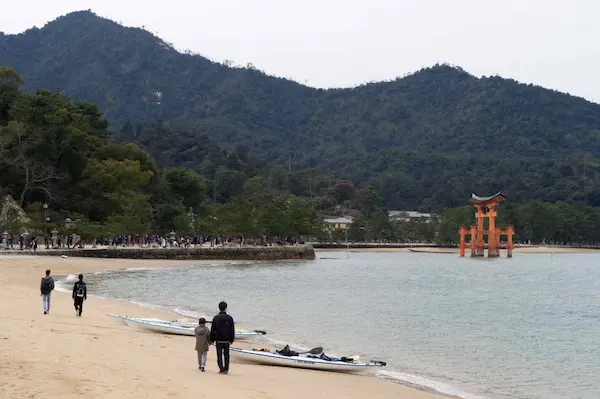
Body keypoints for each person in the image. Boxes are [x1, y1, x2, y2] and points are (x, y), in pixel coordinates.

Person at [210, 301, 235, 374]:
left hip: (219, 339)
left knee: (219, 355)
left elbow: (212, 330)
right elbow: (232, 329)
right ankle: (226, 369)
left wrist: (212, 339)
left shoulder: (216, 318)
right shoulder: (230, 318)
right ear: (226, 308)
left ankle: (221, 368)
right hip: (227, 340)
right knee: (227, 355)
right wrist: (232, 339)